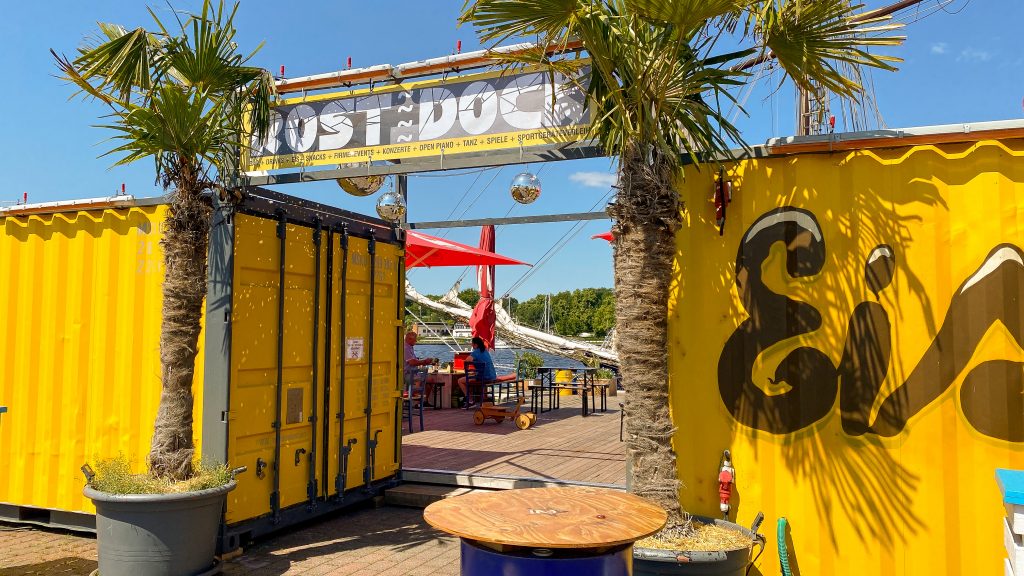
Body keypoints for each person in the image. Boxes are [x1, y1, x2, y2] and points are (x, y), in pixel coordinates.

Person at [457, 336, 516, 407]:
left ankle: (470, 400)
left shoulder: (475, 353)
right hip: (492, 376)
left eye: (472, 343)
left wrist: (466, 369)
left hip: (484, 378)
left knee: (460, 381)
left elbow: (466, 361)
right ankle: (484, 399)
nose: (471, 345)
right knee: (474, 379)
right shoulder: (485, 351)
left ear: (476, 344)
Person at [404, 331, 438, 406]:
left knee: (430, 380)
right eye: (415, 340)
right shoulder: (405, 348)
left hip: (413, 372)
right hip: (407, 374)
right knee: (419, 380)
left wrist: (426, 362)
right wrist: (424, 361)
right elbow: (412, 362)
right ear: (409, 339)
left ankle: (424, 401)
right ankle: (412, 399)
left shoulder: (410, 347)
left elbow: (415, 361)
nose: (416, 341)